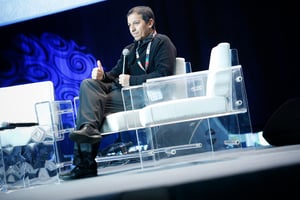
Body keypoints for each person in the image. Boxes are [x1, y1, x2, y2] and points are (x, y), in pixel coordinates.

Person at [64, 6, 177, 179]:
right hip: (121, 93)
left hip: (144, 95)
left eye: (136, 23)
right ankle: (89, 129)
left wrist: (132, 81)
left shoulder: (162, 42)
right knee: (89, 84)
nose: (132, 29)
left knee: (92, 107)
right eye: (129, 25)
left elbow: (164, 75)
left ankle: (83, 164)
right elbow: (114, 75)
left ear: (150, 22)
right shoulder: (130, 49)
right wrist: (102, 76)